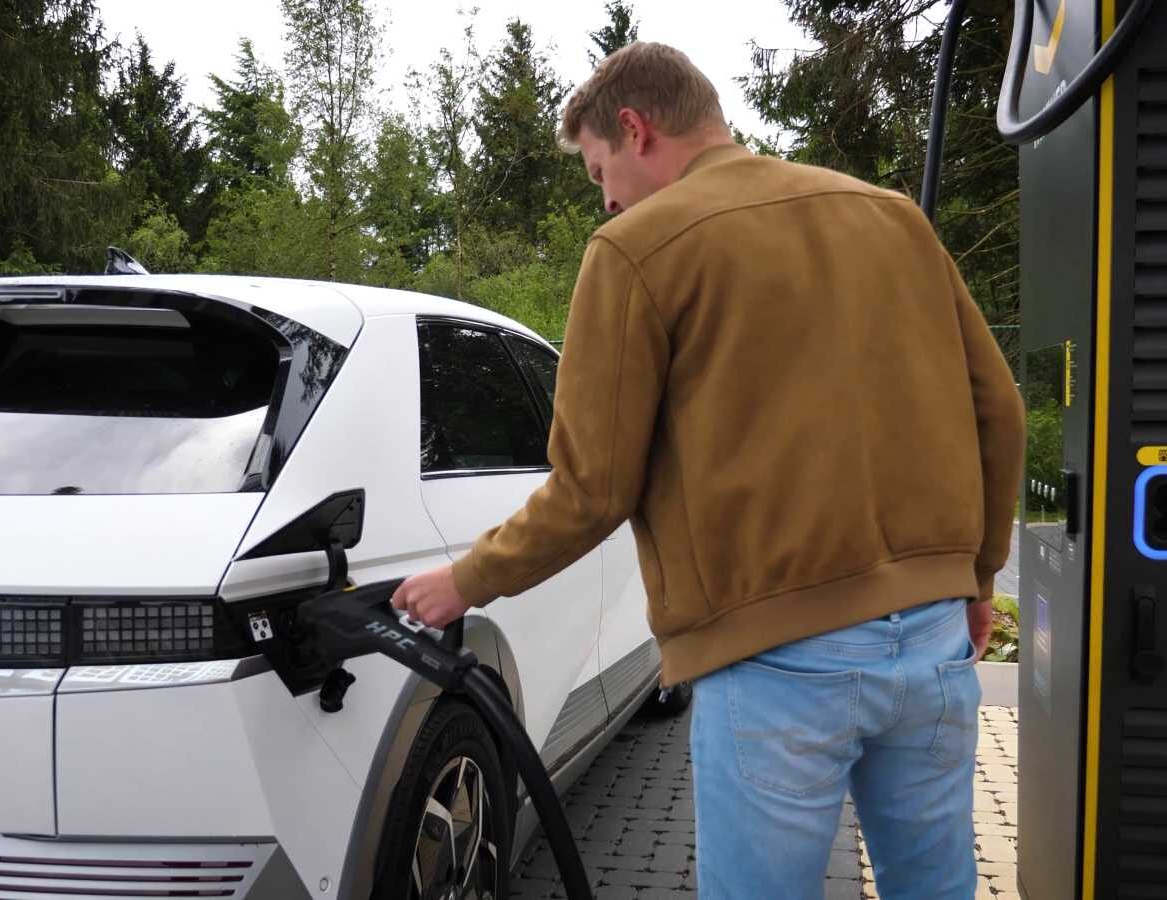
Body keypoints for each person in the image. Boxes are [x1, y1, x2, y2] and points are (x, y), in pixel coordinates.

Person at [391, 40, 1024, 900]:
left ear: (634, 127)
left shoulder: (635, 250)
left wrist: (464, 581)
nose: (605, 196)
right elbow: (999, 411)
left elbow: (593, 488)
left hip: (774, 664)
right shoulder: (892, 218)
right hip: (935, 646)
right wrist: (976, 575)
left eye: (598, 169)